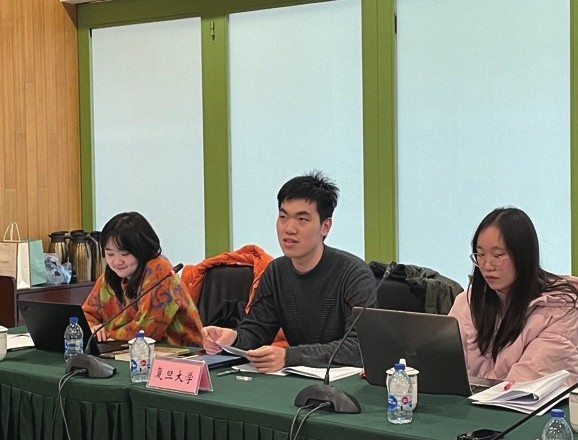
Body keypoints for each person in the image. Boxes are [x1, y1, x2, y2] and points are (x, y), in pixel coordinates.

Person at [202, 171, 376, 372]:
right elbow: (257, 333)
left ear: (325, 226)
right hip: (296, 378)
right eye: (283, 217)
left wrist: (289, 356)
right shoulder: (276, 272)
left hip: (345, 382)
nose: (289, 228)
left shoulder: (354, 275)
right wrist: (232, 338)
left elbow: (359, 347)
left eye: (302, 219)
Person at [449, 207, 578, 385]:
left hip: (524, 401)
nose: (487, 265)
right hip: (476, 400)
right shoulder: (467, 303)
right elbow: (444, 369)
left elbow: (527, 383)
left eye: (498, 255)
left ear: (523, 256)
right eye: (480, 255)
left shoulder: (560, 307)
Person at [82, 211, 203, 346]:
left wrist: (107, 335)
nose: (117, 262)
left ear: (142, 249)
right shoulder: (111, 275)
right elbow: (86, 314)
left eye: (125, 254)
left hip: (179, 352)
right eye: (110, 254)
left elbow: (146, 331)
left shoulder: (159, 270)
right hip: (123, 349)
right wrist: (93, 329)